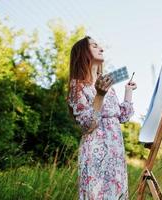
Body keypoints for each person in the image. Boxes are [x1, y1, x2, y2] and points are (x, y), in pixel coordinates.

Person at [67, 36, 137, 200]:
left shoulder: (107, 85)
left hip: (115, 151)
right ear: (83, 53)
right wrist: (99, 95)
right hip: (95, 152)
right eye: (94, 46)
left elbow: (122, 116)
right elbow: (87, 126)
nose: (101, 49)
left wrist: (128, 91)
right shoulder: (77, 86)